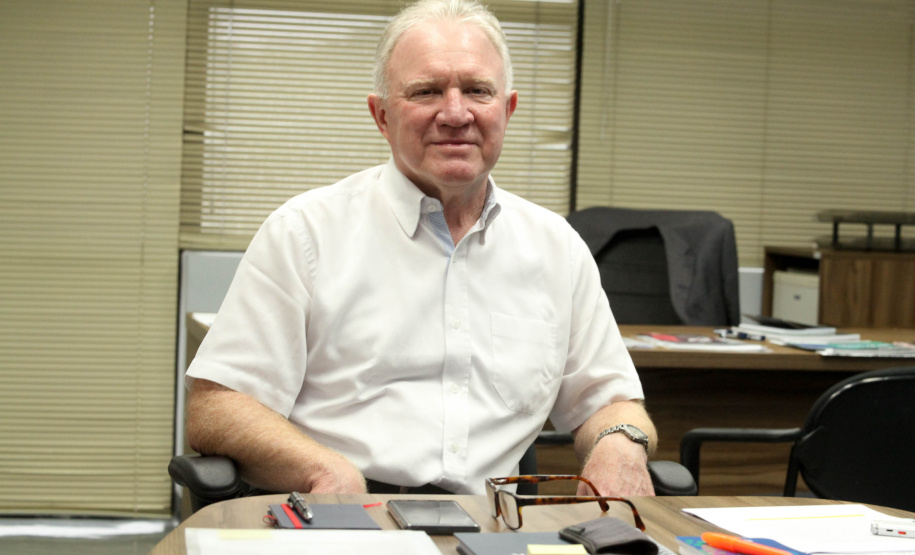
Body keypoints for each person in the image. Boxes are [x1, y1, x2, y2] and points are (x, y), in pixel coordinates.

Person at [185, 0, 657, 498]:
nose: (456, 114)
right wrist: (326, 471)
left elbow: (610, 402)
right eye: (426, 91)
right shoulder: (304, 233)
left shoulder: (555, 248)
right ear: (382, 115)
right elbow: (217, 404)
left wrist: (619, 444)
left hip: (493, 527)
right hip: (340, 515)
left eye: (478, 90)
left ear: (507, 109)